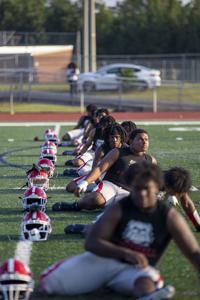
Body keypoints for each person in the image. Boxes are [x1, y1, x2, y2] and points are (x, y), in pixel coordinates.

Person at [40, 162, 200, 299]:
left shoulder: (169, 217)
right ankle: (101, 281)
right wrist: (126, 253)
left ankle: (147, 297)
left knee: (147, 281)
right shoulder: (120, 208)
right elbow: (92, 243)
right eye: (138, 189)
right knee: (48, 283)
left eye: (147, 189)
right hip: (105, 261)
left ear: (157, 187)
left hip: (136, 269)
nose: (143, 194)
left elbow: (193, 252)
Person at [52, 128, 157, 212]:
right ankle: (75, 205)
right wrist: (84, 183)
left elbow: (155, 181)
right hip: (111, 185)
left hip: (129, 191)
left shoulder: (151, 160)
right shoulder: (118, 152)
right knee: (95, 200)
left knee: (135, 209)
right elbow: (100, 168)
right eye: (140, 139)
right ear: (131, 141)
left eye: (146, 139)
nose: (144, 142)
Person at [66, 123, 128, 193]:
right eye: (112, 137)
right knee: (70, 187)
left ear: (121, 138)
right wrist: (97, 181)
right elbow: (95, 168)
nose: (114, 140)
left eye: (117, 137)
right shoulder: (102, 148)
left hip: (118, 178)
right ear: (107, 138)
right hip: (103, 174)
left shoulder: (126, 149)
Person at [163, 167, 200, 231]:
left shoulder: (178, 183)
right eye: (176, 193)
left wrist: (198, 225)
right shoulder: (151, 185)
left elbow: (187, 204)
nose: (178, 196)